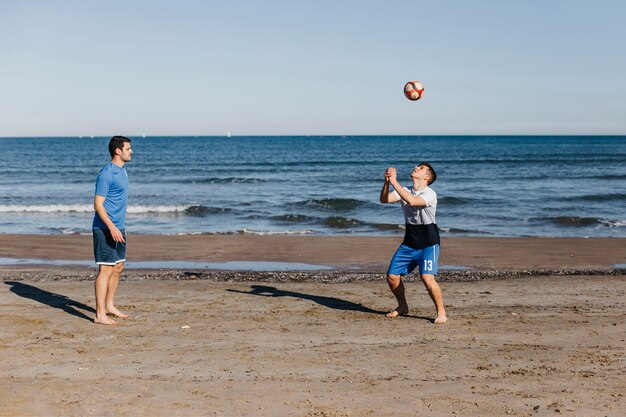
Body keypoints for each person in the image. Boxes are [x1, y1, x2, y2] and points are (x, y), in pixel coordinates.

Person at [379, 162, 447, 324]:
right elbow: (384, 199)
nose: (416, 168)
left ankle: (441, 312)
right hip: (409, 242)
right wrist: (387, 182)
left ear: (426, 177)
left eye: (420, 168)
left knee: (427, 278)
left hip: (429, 243)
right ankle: (402, 306)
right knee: (392, 277)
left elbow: (413, 201)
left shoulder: (430, 194)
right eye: (416, 166)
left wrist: (395, 181)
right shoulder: (406, 190)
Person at [92, 136, 133, 325]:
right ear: (118, 151)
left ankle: (109, 305)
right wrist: (111, 227)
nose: (131, 151)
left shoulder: (123, 171)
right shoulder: (107, 173)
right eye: (128, 148)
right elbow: (98, 205)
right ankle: (100, 314)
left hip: (119, 228)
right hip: (104, 228)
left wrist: (120, 227)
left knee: (118, 267)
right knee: (105, 269)